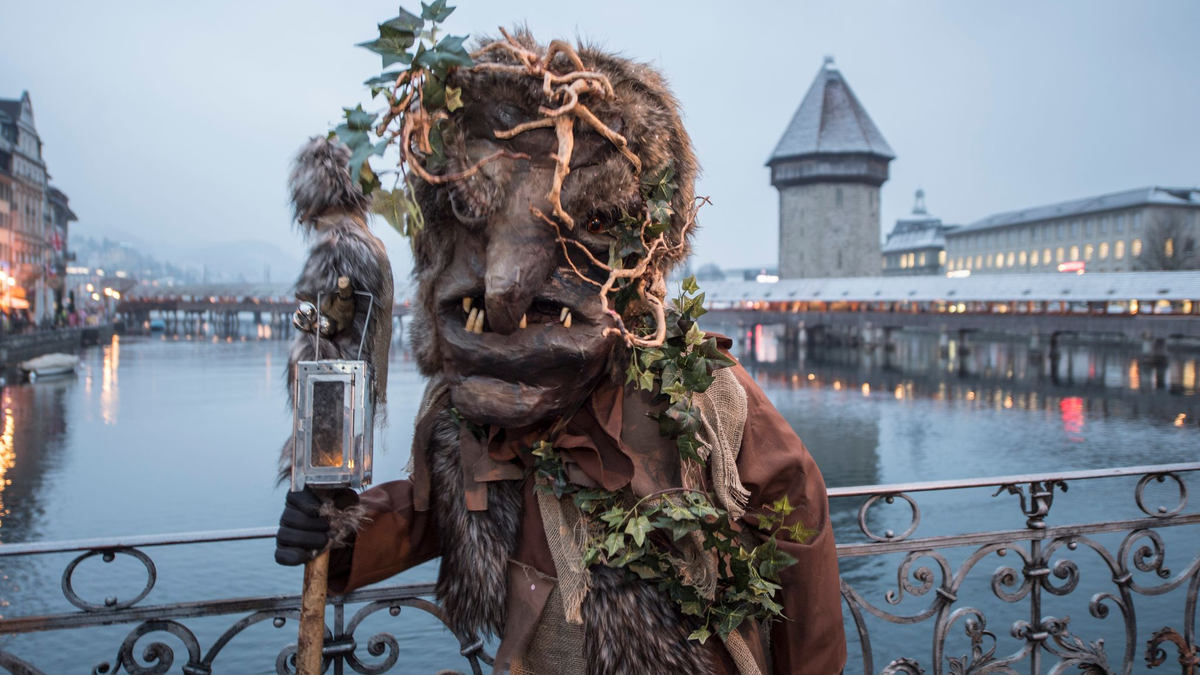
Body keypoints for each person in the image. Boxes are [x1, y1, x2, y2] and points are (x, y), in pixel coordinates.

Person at [275, 29, 845, 675]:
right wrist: (342, 534)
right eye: (473, 225)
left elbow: (797, 535)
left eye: (577, 226)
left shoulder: (704, 402)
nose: (503, 289)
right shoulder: (472, 419)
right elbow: (439, 508)